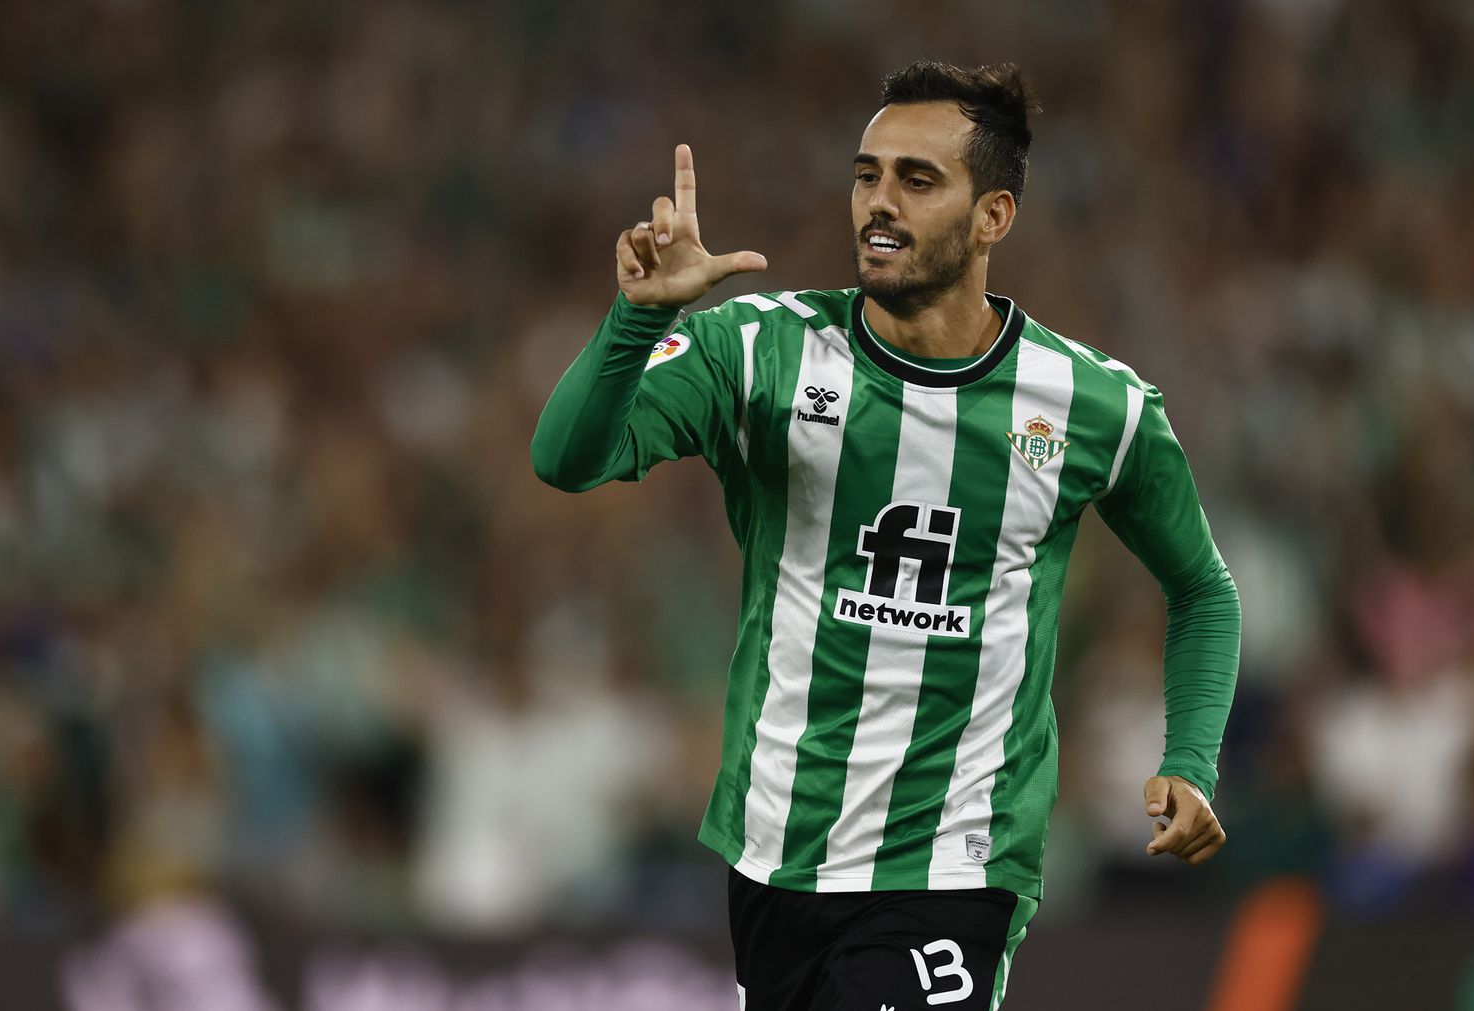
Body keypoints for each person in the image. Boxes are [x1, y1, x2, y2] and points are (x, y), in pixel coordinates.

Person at [530, 61, 1240, 1010]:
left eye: (917, 179)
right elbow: (567, 458)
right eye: (867, 174)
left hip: (952, 862)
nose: (879, 202)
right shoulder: (757, 352)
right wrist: (636, 321)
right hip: (777, 851)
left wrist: (1191, 759)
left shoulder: (1091, 404)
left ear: (993, 216)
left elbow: (1202, 587)